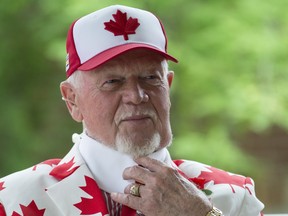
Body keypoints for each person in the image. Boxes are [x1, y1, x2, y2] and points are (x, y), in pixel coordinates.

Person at [0, 5, 264, 216]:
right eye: (112, 82)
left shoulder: (232, 196)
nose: (137, 96)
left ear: (167, 87)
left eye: (150, 78)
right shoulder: (14, 201)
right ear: (72, 100)